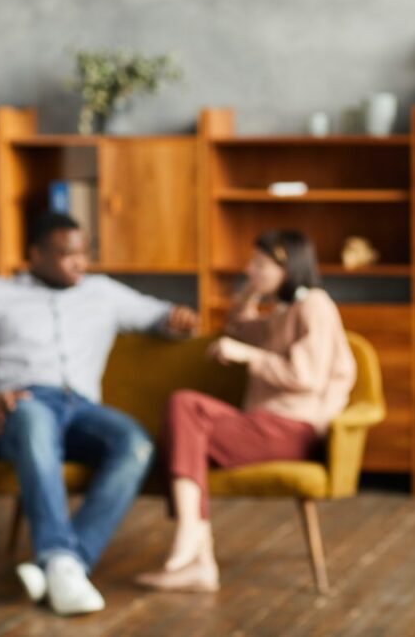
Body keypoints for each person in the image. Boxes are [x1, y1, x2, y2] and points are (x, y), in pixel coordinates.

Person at [0, 212, 198, 616]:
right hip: (22, 407)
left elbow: (159, 316)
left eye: (84, 253)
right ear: (35, 254)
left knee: (135, 442)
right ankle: (61, 560)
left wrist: (179, 320)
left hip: (82, 409)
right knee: (35, 421)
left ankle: (63, 563)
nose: (81, 263)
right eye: (68, 254)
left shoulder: (102, 292)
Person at [135, 230, 356, 592]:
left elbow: (306, 376)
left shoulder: (313, 304)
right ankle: (199, 561)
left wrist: (248, 356)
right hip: (265, 425)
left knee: (184, 408)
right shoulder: (283, 309)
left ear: (287, 266)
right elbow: (236, 329)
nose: (250, 269)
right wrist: (250, 291)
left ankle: (194, 534)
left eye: (260, 264)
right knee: (183, 432)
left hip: (292, 428)